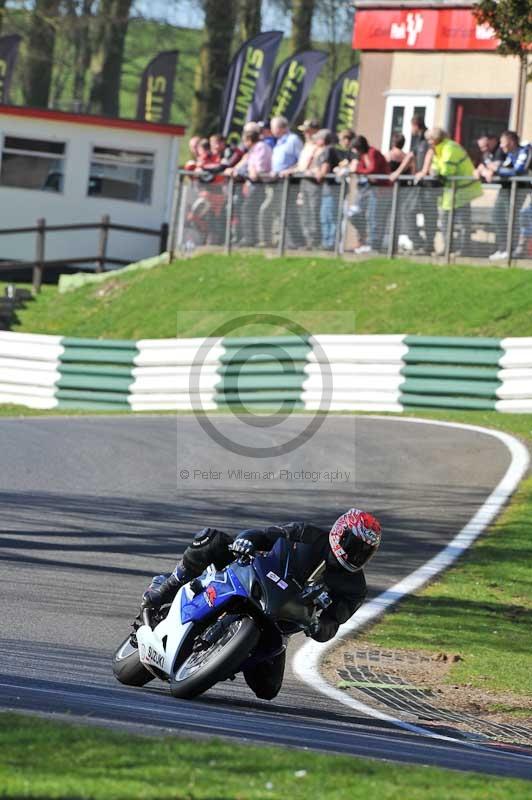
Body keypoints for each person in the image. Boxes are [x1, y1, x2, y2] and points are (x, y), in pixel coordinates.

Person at [140, 509, 382, 700]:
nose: (355, 555)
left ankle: (226, 657)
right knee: (212, 540)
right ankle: (168, 586)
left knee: (268, 690)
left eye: (365, 552)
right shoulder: (307, 534)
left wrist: (319, 627)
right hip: (254, 578)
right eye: (352, 544)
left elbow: (334, 622)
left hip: (281, 622)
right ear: (339, 533)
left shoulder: (355, 589)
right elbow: (264, 535)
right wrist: (246, 541)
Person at [426, 127, 483, 256]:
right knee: (446, 220)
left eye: (430, 139)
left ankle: (464, 249)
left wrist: (437, 175)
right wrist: (434, 172)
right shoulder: (439, 148)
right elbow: (436, 166)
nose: (428, 142)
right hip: (451, 190)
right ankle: (448, 248)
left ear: (436, 139)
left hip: (463, 189)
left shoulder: (449, 147)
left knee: (463, 221)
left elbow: (447, 170)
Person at [390, 116, 437, 255]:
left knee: (429, 215)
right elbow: (410, 156)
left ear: (416, 125)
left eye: (411, 126)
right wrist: (398, 172)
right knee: (407, 210)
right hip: (419, 184)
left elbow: (431, 153)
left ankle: (428, 245)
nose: (411, 130)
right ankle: (418, 242)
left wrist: (424, 170)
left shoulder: (428, 139)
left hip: (429, 185)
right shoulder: (418, 141)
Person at [488, 130, 531, 261]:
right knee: (496, 215)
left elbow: (518, 170)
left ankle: (510, 249)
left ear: (511, 142)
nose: (500, 146)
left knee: (511, 218)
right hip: (506, 189)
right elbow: (503, 169)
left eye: (502, 142)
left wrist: (497, 169)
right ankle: (502, 248)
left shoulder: (523, 151)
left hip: (518, 189)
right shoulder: (508, 155)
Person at [281, 119, 321, 249]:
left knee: (313, 211)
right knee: (305, 211)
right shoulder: (307, 145)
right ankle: (306, 240)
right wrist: (291, 170)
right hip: (303, 182)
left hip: (314, 183)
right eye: (305, 132)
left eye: (308, 131)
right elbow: (301, 165)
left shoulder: (318, 146)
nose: (306, 134)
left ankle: (314, 241)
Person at [349, 134, 391, 254]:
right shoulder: (362, 156)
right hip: (370, 189)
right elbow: (363, 169)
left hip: (381, 189)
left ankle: (375, 245)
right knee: (358, 214)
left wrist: (357, 171)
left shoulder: (373, 153)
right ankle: (364, 241)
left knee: (375, 217)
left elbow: (372, 169)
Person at [312, 128, 342, 249]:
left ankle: (330, 244)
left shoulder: (328, 150)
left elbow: (324, 170)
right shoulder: (323, 150)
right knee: (324, 217)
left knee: (330, 217)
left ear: (323, 140)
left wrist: (316, 173)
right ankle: (326, 242)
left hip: (331, 190)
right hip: (326, 190)